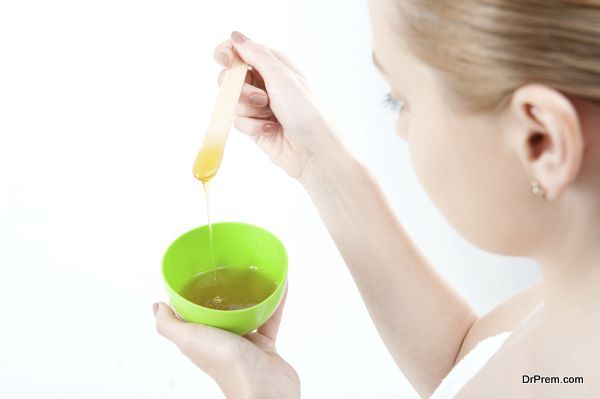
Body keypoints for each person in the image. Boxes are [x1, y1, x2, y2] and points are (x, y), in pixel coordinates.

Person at [153, 0, 600, 397]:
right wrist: (317, 159)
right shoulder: (576, 301)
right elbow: (470, 366)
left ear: (541, 139)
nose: (401, 129)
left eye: (400, 100)